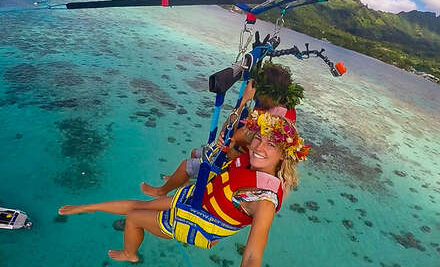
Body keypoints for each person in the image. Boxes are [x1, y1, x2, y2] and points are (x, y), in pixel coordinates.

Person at [58, 110, 310, 267]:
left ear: (283, 156)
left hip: (198, 223)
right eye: (259, 138)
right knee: (140, 206)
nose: (259, 147)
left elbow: (253, 256)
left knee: (133, 217)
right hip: (195, 200)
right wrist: (235, 123)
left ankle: (130, 254)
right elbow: (235, 136)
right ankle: (87, 207)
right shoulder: (247, 158)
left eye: (271, 145)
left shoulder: (264, 201)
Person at [140, 62, 303, 197]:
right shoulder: (282, 110)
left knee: (186, 164)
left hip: (244, 161)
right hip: (248, 155)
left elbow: (229, 134)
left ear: (268, 93)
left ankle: (161, 191)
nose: (257, 96)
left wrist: (244, 100)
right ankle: (181, 181)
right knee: (194, 152)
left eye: (259, 91)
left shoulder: (272, 120)